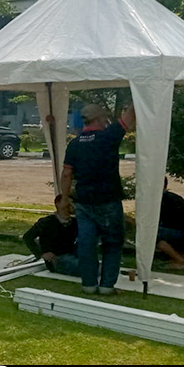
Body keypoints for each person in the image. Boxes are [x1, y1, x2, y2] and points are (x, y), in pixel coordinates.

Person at [59, 103, 135, 295]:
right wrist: (138, 95)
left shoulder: (74, 144)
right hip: (108, 200)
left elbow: (66, 174)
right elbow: (130, 116)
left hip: (84, 202)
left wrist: (64, 199)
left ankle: (89, 284)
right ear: (100, 119)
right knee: (112, 244)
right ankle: (107, 286)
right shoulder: (108, 136)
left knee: (87, 245)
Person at [23, 195, 80, 276]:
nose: (71, 205)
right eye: (67, 202)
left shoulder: (74, 222)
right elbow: (28, 237)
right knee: (86, 268)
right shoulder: (47, 222)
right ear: (58, 204)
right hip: (57, 258)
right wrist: (41, 253)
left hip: (72, 254)